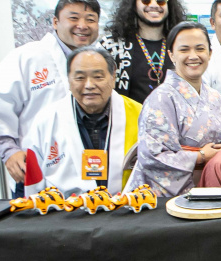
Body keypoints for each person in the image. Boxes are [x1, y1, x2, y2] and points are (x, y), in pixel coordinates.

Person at [0, 0, 100, 194]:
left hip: (90, 172)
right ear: (55, 22)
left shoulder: (100, 62)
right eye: (73, 18)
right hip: (36, 172)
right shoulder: (26, 57)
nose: (82, 26)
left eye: (90, 19)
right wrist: (9, 151)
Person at [126, 22, 221, 197]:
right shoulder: (160, 98)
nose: (193, 56)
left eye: (200, 49)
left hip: (210, 186)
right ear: (171, 55)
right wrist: (201, 156)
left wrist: (219, 156)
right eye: (184, 50)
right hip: (165, 195)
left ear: (210, 53)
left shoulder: (216, 98)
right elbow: (152, 156)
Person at [21, 47, 141, 196]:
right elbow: (34, 183)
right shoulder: (46, 120)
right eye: (80, 78)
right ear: (68, 80)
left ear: (113, 78)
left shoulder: (139, 114)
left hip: (126, 210)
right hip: (65, 211)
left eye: (98, 77)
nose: (89, 85)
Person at [100, 0, 188, 103]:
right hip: (128, 121)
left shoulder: (181, 43)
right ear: (133, 4)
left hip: (175, 121)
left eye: (160, 1)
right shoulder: (112, 45)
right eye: (145, 0)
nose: (154, 5)